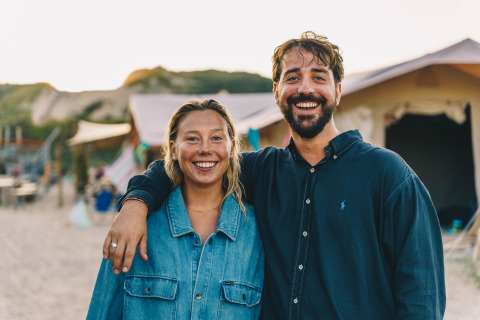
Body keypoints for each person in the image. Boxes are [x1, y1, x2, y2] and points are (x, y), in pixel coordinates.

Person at [103, 32, 446, 319]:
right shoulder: (262, 169)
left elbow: (421, 292)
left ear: (338, 91)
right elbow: (191, 161)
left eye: (319, 78)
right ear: (277, 92)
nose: (305, 89)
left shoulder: (387, 174)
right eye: (292, 77)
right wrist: (135, 204)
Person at [89, 99, 264, 319]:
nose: (205, 148)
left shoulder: (257, 234)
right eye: (192, 139)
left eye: (217, 138)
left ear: (232, 149)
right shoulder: (135, 226)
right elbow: (102, 312)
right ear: (173, 149)